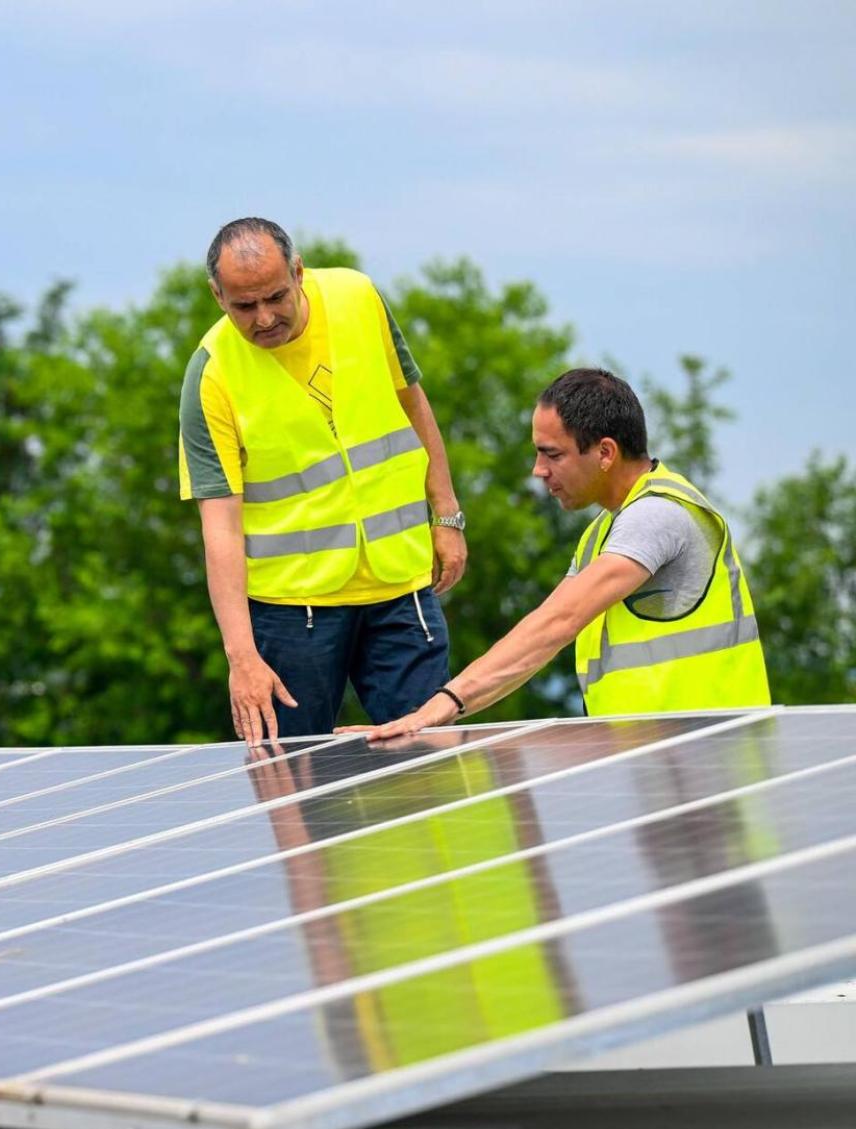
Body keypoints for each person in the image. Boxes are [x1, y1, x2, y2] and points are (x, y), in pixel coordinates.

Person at [340, 368, 770, 739]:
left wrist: (443, 704)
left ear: (605, 452)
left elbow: (556, 623)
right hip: (665, 768)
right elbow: (534, 648)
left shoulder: (657, 516)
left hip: (711, 767)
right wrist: (434, 715)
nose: (538, 470)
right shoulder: (602, 533)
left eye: (553, 454)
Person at [179, 217, 467, 745]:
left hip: (400, 584)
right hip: (293, 613)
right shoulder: (211, 374)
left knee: (430, 759)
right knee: (292, 775)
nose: (264, 318)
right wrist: (242, 658)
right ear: (217, 296)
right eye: (245, 306)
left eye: (275, 297)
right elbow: (219, 528)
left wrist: (446, 514)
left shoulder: (358, 297)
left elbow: (412, 401)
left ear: (298, 272)